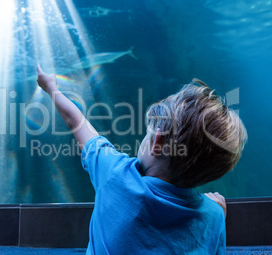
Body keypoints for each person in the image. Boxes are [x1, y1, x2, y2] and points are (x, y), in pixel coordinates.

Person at [36, 65, 247, 254]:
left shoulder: (115, 174)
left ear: (156, 142)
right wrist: (216, 211)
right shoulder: (213, 217)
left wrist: (51, 88)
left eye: (147, 133)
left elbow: (76, 121)